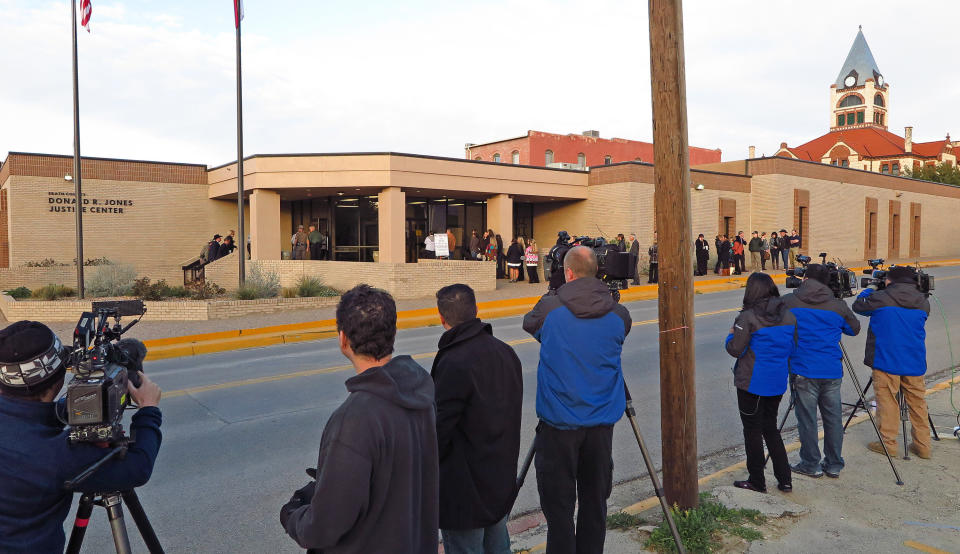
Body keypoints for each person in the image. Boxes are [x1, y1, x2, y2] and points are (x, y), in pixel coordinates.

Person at [280, 285, 439, 552]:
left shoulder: (354, 419)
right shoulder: (420, 394)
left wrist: (292, 515)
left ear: (343, 340)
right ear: (394, 334)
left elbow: (322, 528)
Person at [0, 321, 163, 553]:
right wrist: (148, 410)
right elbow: (139, 467)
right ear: (57, 381)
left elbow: (31, 420)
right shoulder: (55, 456)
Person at [522, 246, 632, 554]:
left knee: (559, 512)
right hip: (600, 428)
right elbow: (620, 331)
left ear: (568, 272)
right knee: (595, 504)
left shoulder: (550, 308)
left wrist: (555, 293)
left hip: (559, 426)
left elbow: (529, 324)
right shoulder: (619, 314)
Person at [432, 284, 522, 554]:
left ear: (441, 318)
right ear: (476, 310)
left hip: (464, 495)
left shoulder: (452, 362)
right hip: (500, 483)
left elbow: (438, 432)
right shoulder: (506, 353)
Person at [781, 264, 861, 478]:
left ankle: (810, 464)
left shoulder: (789, 301)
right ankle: (834, 464)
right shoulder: (838, 305)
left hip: (802, 369)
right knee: (833, 419)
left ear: (805, 278)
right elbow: (854, 329)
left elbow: (775, 324)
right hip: (831, 370)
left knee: (807, 420)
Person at [725, 273, 796, 493]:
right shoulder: (788, 315)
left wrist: (730, 336)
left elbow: (735, 349)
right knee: (771, 429)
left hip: (752, 383)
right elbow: (792, 347)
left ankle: (757, 480)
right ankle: (785, 479)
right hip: (776, 382)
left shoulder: (747, 317)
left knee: (752, 431)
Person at [852, 266, 932, 459]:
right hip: (914, 360)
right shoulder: (922, 301)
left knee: (888, 402)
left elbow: (858, 305)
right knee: (918, 404)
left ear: (889, 280)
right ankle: (923, 446)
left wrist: (871, 287)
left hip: (885, 359)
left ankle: (888, 444)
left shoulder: (880, 298)